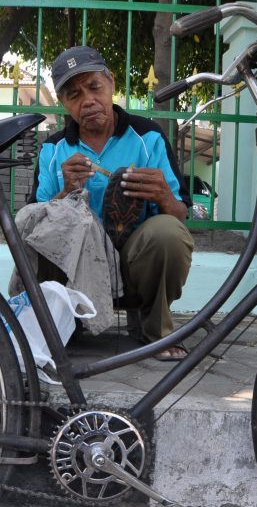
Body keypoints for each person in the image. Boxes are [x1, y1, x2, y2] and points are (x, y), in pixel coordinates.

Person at [30, 45, 193, 361]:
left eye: (94, 87)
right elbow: (35, 225)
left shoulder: (148, 138)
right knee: (44, 230)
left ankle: (155, 330)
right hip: (77, 268)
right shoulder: (53, 150)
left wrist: (164, 196)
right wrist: (65, 192)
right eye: (74, 95)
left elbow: (181, 215)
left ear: (112, 84)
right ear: (64, 104)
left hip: (134, 264)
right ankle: (62, 323)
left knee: (168, 233)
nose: (87, 100)